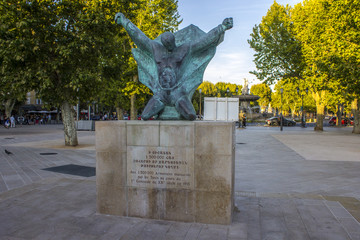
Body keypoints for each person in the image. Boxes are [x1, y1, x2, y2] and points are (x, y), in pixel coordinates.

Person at [115, 12, 233, 120]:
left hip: (177, 92)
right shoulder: (156, 48)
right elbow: (139, 37)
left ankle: (171, 109)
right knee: (145, 116)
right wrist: (125, 22)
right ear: (163, 43)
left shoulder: (184, 49)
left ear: (174, 42)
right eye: (166, 44)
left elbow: (204, 41)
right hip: (160, 93)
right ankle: (161, 110)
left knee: (191, 116)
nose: (168, 46)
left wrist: (221, 28)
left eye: (170, 43)